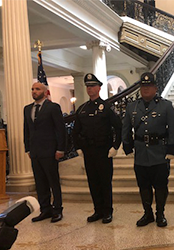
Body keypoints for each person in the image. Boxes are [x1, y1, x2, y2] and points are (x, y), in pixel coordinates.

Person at [122, 72, 174, 227]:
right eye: (143, 86)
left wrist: (171, 150)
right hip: (140, 153)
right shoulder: (132, 107)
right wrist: (127, 147)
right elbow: (125, 128)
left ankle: (160, 214)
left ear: (155, 87)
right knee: (143, 186)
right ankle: (147, 214)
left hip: (159, 153)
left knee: (161, 185)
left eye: (149, 86)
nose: (146, 89)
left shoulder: (166, 105)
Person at [73, 73, 122, 224]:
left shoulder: (106, 107)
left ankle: (107, 211)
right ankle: (98, 210)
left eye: (92, 86)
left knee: (105, 182)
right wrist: (78, 147)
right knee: (93, 182)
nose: (89, 89)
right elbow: (76, 130)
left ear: (99, 88)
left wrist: (115, 146)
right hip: (89, 151)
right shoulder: (82, 109)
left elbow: (118, 127)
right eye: (88, 86)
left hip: (103, 151)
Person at [23, 82, 66, 223]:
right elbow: (27, 130)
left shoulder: (53, 107)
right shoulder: (27, 109)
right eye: (32, 89)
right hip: (35, 152)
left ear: (45, 91)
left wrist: (60, 149)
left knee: (53, 182)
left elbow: (60, 129)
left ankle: (57, 210)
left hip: (50, 151)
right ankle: (45, 209)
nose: (34, 91)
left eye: (37, 89)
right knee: (40, 183)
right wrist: (28, 148)